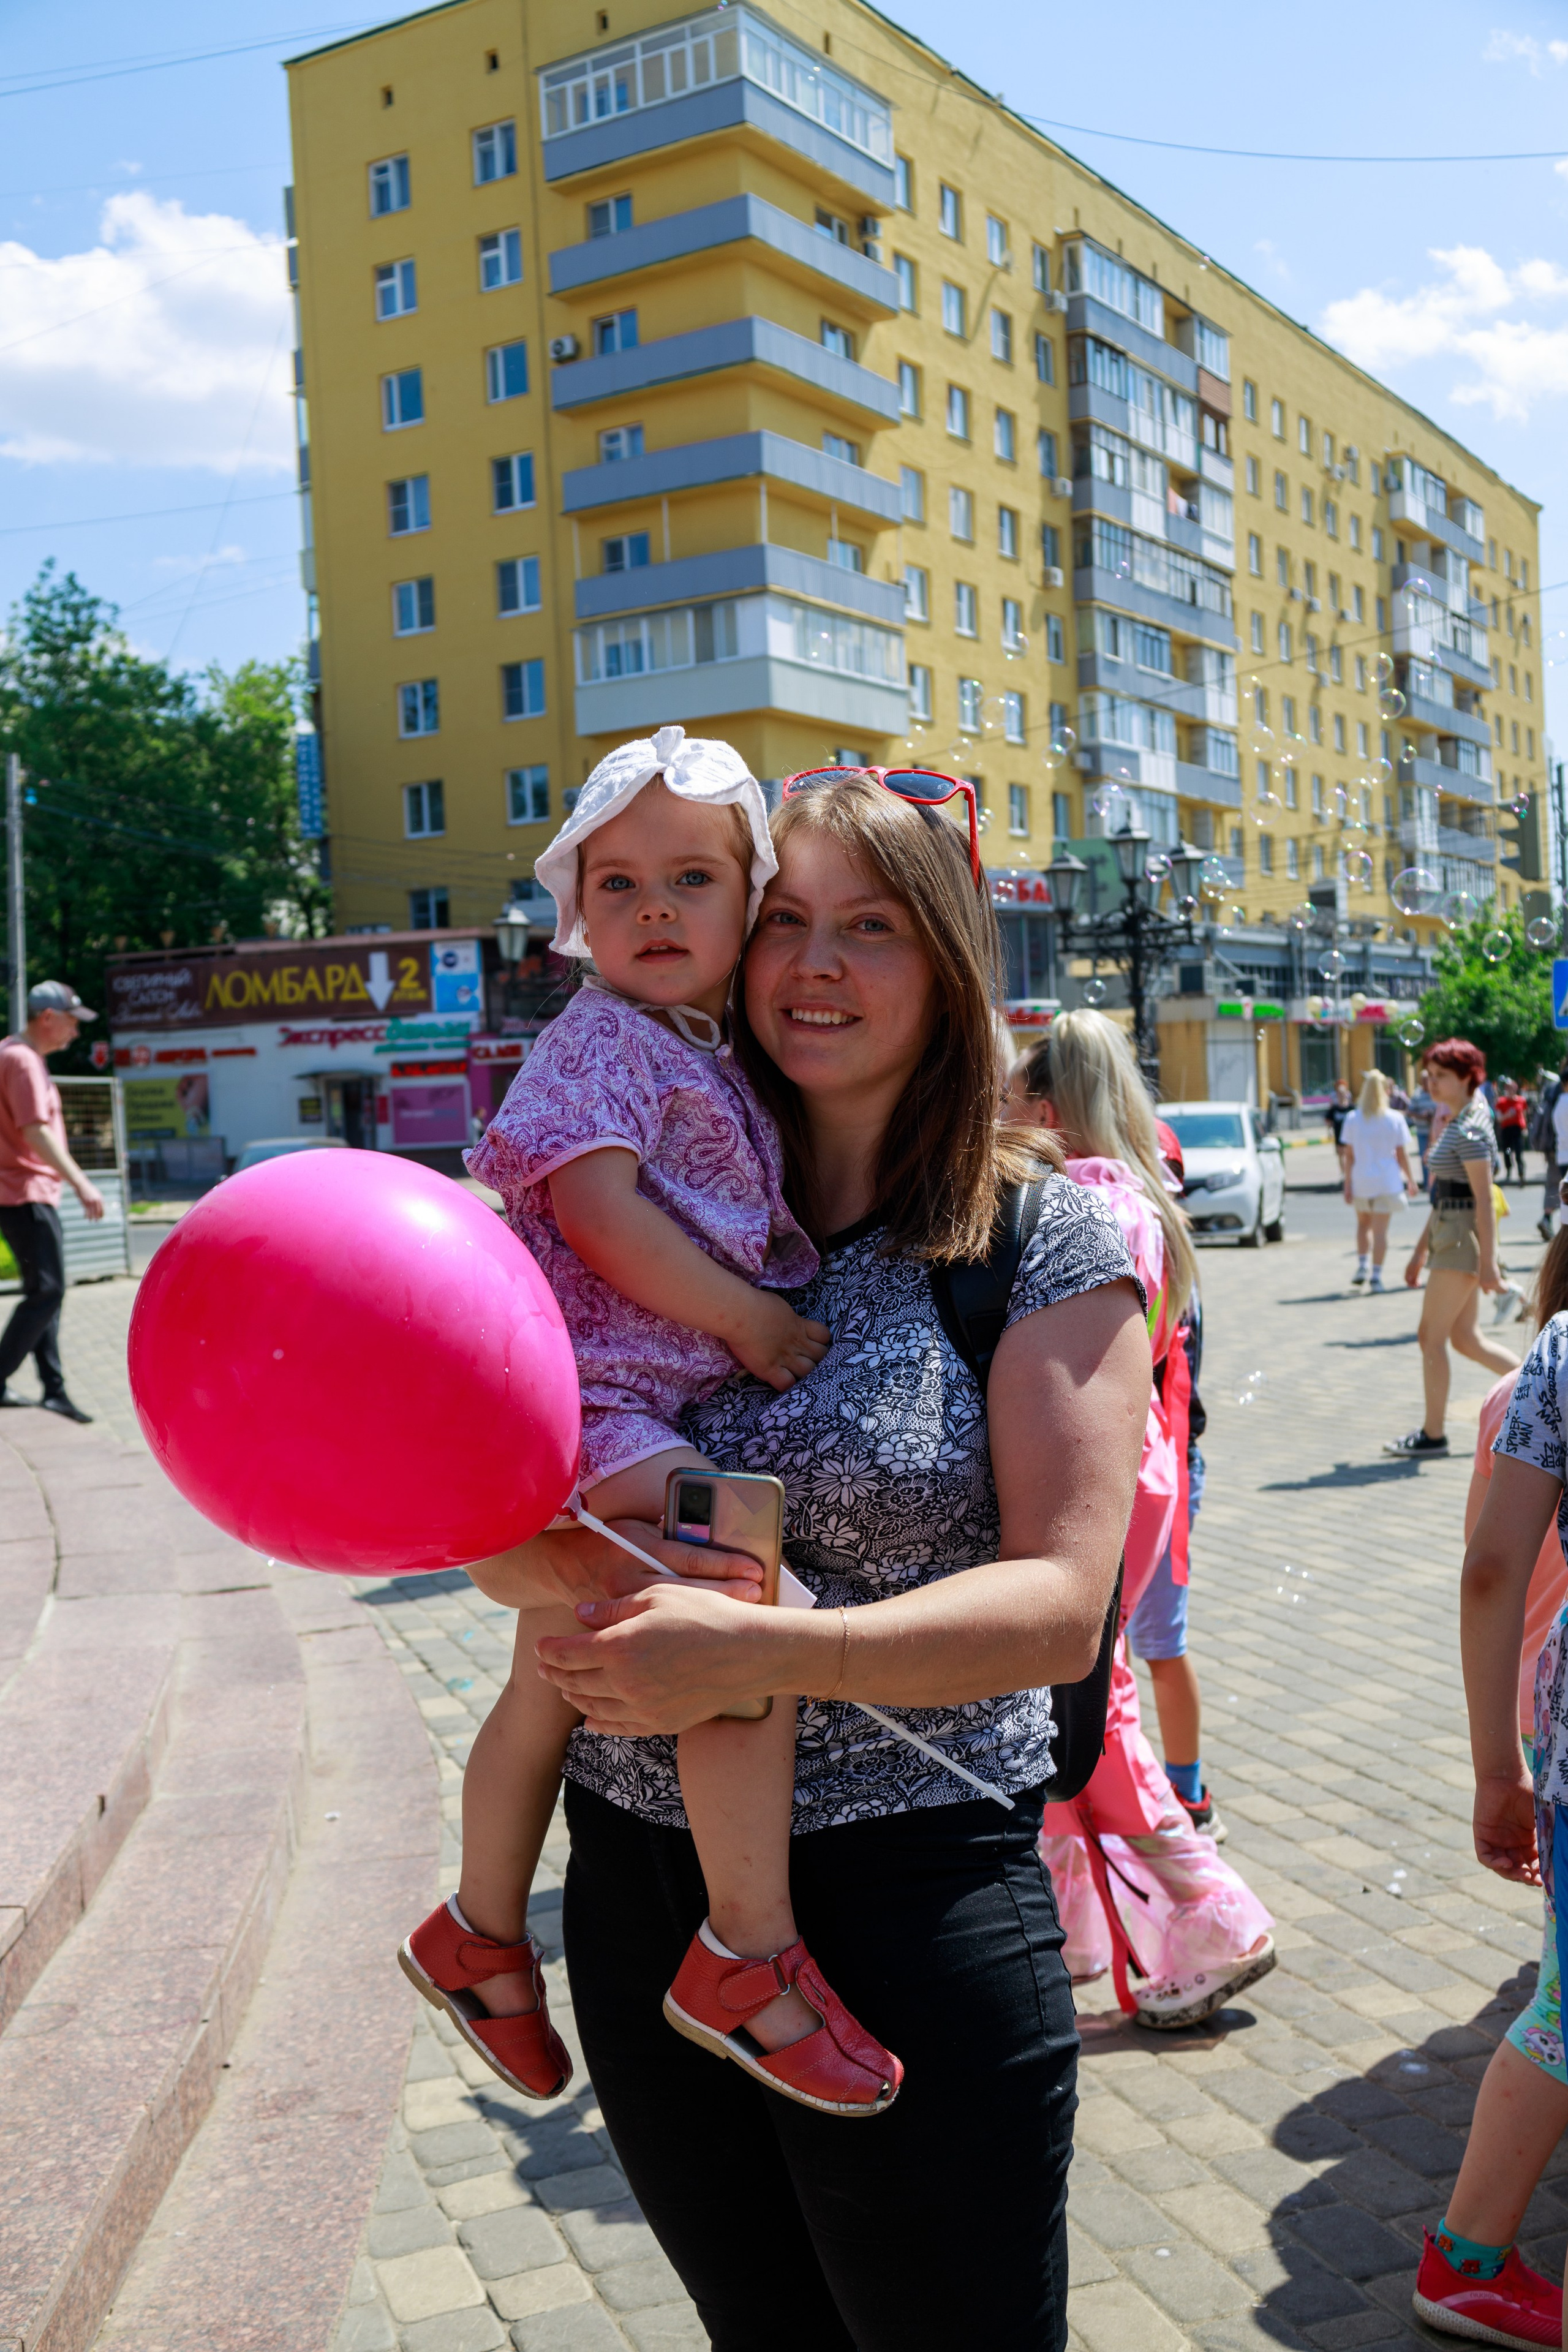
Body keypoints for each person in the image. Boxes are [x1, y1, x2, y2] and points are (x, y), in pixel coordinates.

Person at [461, 769, 1151, 2348]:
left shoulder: (1031, 1240)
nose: (814, 964)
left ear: (953, 963)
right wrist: (533, 1555)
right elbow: (517, 1532)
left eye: (873, 928)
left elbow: (1057, 1609)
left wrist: (764, 1652)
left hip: (905, 1897)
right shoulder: (637, 1205)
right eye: (784, 921)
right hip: (636, 1891)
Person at [400, 728, 905, 2119]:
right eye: (615, 885)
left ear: (750, 903)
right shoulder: (603, 1037)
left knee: (538, 1685)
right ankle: (743, 1950)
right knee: (747, 1601)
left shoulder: (709, 1046)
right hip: (602, 1402)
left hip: (623, 1402)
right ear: (575, 913)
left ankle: (480, 1930)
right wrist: (750, 1319)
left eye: (691, 878)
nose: (653, 910)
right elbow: (594, 1206)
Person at [1007, 1014, 1275, 2025]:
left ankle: (1211, 1917)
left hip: (1098, 1473)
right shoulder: (1137, 1196)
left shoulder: (1076, 1205)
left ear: (1048, 1108)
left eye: (1010, 1106)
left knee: (1091, 1708)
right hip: (1139, 1467)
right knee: (1077, 1703)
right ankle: (1082, 1931)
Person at [1431, 1244, 1568, 2345]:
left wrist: (1495, 1765)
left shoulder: (1561, 1354)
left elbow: (1491, 1567)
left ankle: (1470, 2255)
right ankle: (1467, 2257)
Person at [1385, 1038, 1517, 1458]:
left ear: (1466, 1077)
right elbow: (1448, 1191)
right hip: (1450, 1230)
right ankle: (1549, 1393)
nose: (1431, 1082)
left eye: (1441, 1075)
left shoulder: (1472, 1123)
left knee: (1431, 1336)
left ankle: (1434, 1434)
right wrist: (1419, 1250)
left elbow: (1482, 1198)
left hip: (1461, 1236)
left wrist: (1489, 1264)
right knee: (1465, 1339)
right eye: (1430, 1074)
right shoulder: (1463, 1118)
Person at [0, 980, 105, 1423]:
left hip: (22, 1192)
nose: (75, 1033)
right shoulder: (21, 1060)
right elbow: (35, 1131)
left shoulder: (17, 1055)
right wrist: (82, 1183)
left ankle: (54, 1389)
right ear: (47, 1018)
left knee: (44, 1292)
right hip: (25, 1192)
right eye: (70, 1023)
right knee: (48, 1290)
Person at [1340, 1068, 1418, 1293]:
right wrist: (1411, 1181)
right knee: (1381, 1230)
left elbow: (1349, 1156)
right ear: (1386, 1091)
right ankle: (1376, 1276)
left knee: (1363, 1225)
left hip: (1362, 1180)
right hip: (1387, 1181)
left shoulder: (1353, 1118)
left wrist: (1347, 1185)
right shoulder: (1395, 1119)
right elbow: (1402, 1155)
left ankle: (1362, 1266)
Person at [1494, 1074, 1528, 1187]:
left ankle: (1521, 1173)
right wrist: (1508, 1115)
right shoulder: (1501, 1102)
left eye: (1512, 1088)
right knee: (1507, 1151)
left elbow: (1524, 1115)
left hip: (1517, 1130)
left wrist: (1525, 1127)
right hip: (1507, 1130)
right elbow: (1499, 1118)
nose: (1510, 1090)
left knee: (1519, 1152)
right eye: (1508, 1088)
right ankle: (1509, 1171)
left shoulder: (1521, 1101)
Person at [1324, 1077, 1354, 1170]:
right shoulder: (1334, 1108)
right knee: (1340, 1154)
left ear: (1346, 1094)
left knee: (1349, 1154)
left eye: (1343, 1094)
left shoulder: (1351, 1108)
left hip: (1350, 1135)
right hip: (1339, 1133)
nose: (1341, 1095)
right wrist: (1329, 1132)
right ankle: (1343, 1172)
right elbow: (1329, 1120)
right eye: (1339, 1094)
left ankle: (1349, 1171)